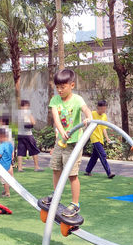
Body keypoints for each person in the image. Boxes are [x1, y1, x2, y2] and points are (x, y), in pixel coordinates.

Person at [42, 69, 92, 217]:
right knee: (56, 169)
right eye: (57, 87)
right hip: (60, 141)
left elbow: (86, 109)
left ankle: (75, 204)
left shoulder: (77, 99)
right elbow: (56, 118)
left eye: (62, 87)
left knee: (72, 174)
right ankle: (56, 195)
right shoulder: (55, 100)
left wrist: (88, 117)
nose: (59, 90)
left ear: (72, 85)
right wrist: (60, 130)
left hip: (74, 143)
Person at [84, 100, 115, 179]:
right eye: (102, 109)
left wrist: (107, 138)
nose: (104, 111)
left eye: (105, 109)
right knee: (102, 154)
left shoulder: (104, 116)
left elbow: (103, 128)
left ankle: (88, 171)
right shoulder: (93, 114)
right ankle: (109, 173)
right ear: (98, 108)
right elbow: (87, 122)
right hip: (94, 137)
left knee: (95, 156)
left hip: (100, 138)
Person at [17, 99, 43, 172]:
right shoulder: (28, 113)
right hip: (28, 134)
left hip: (19, 135)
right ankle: (36, 167)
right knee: (34, 150)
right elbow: (33, 122)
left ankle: (20, 168)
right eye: (27, 106)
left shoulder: (17, 114)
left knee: (20, 151)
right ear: (26, 106)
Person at [0, 128, 14, 197]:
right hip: (8, 164)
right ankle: (7, 189)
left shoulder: (2, 145)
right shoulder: (10, 144)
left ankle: (7, 193)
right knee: (8, 178)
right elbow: (12, 155)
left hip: (2, 165)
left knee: (4, 180)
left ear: (2, 136)